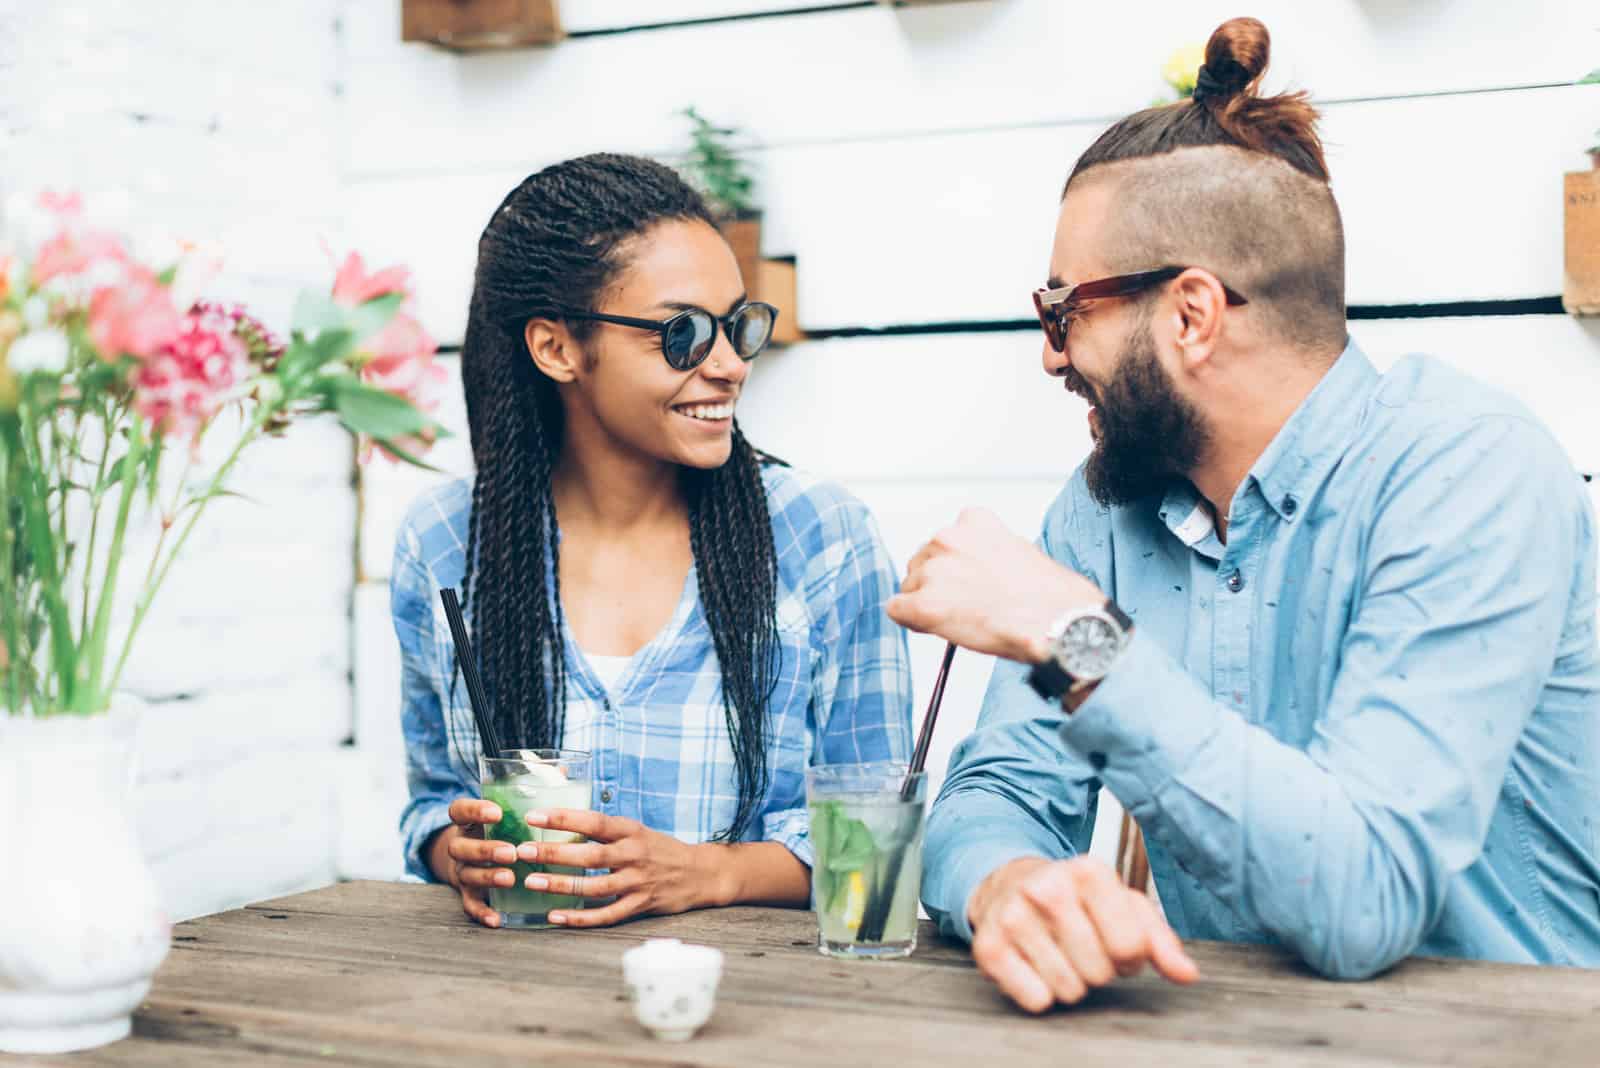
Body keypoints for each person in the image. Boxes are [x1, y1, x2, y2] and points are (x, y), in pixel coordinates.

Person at [894, 17, 1600, 1013]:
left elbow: (1364, 897)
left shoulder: (1465, 474)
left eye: (1063, 314)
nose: (1050, 355)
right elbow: (995, 796)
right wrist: (1005, 883)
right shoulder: (1100, 512)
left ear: (1190, 315)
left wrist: (1073, 635)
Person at [392, 153, 913, 928]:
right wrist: (454, 853)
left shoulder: (823, 537)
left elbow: (878, 855)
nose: (731, 365)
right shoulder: (442, 543)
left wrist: (709, 873)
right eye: (683, 334)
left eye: (738, 326)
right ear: (556, 348)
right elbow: (432, 803)